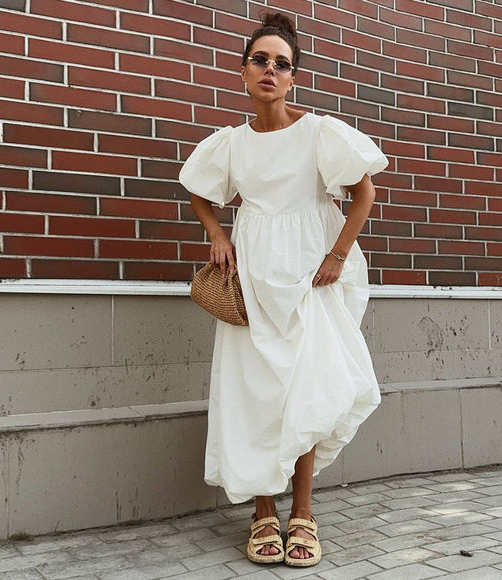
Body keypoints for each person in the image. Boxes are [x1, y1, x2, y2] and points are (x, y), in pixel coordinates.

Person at [178, 11, 388, 568]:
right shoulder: (231, 144)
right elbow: (199, 190)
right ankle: (262, 514)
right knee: (255, 393)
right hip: (251, 275)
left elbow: (364, 193)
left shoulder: (319, 133)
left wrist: (337, 255)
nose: (270, 70)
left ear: (294, 77)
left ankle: (304, 513)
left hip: (310, 275)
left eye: (282, 63)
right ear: (244, 71)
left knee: (305, 389)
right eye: (260, 60)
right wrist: (217, 232)